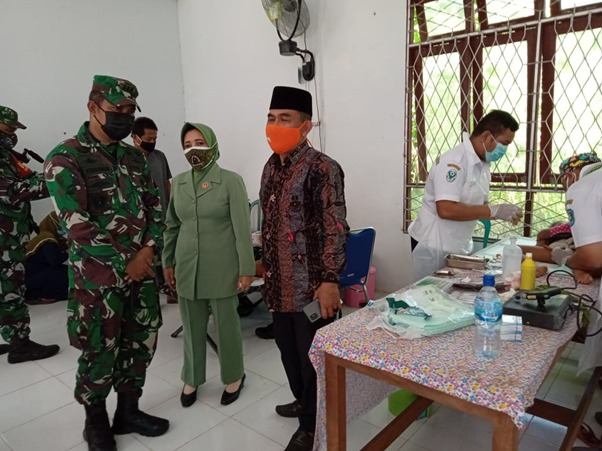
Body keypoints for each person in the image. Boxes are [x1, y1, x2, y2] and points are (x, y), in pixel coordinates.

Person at [44, 75, 169, 451]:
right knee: (99, 348)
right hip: (97, 280)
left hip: (141, 273)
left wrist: (148, 251)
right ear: (92, 108)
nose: (124, 117)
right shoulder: (65, 158)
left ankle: (128, 411)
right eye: (118, 109)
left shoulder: (134, 157)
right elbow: (76, 224)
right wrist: (126, 261)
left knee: (140, 342)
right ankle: (95, 422)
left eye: (130, 110)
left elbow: (155, 207)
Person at [260, 86, 349, 451]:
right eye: (271, 118)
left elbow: (335, 226)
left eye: (285, 119)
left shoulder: (323, 168)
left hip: (312, 287)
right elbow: (271, 223)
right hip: (278, 285)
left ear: (305, 126)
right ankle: (304, 403)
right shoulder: (271, 166)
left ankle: (311, 425)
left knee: (312, 358)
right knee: (288, 352)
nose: (275, 125)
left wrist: (329, 280)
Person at [162, 122, 254, 408]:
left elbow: (242, 229)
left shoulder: (230, 181)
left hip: (222, 266)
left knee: (226, 325)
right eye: (187, 145)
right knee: (191, 326)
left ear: (212, 144)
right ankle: (192, 377)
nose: (194, 150)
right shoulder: (178, 183)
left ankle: (234, 375)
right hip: (186, 265)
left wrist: (247, 268)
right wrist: (167, 261)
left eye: (199, 143)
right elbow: (172, 225)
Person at [408, 110, 523, 280]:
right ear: (487, 136)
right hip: (433, 243)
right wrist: (494, 210)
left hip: (457, 244)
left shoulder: (483, 166)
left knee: (452, 292)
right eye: (504, 143)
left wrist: (502, 213)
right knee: (429, 292)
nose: (505, 150)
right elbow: (445, 209)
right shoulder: (454, 162)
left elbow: (478, 207)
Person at [0, 105, 60, 363]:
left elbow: (26, 178)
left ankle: (13, 338)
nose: (12, 134)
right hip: (4, 239)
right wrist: (57, 180)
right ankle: (20, 345)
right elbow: (14, 192)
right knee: (11, 289)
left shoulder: (7, 156)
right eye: (8, 128)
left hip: (9, 234)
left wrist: (45, 177)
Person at [131, 117, 175, 303]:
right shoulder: (128, 159)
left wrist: (172, 208)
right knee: (148, 257)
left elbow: (166, 183)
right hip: (141, 221)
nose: (152, 142)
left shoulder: (159, 157)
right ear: (135, 137)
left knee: (168, 253)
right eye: (148, 139)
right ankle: (151, 295)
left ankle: (172, 289)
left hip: (163, 217)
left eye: (155, 138)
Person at [25, 211, 69, 304]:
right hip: (34, 275)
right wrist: (67, 252)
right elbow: (55, 261)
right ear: (54, 224)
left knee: (69, 272)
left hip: (35, 274)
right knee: (69, 276)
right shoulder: (47, 238)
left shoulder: (46, 236)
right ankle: (36, 295)